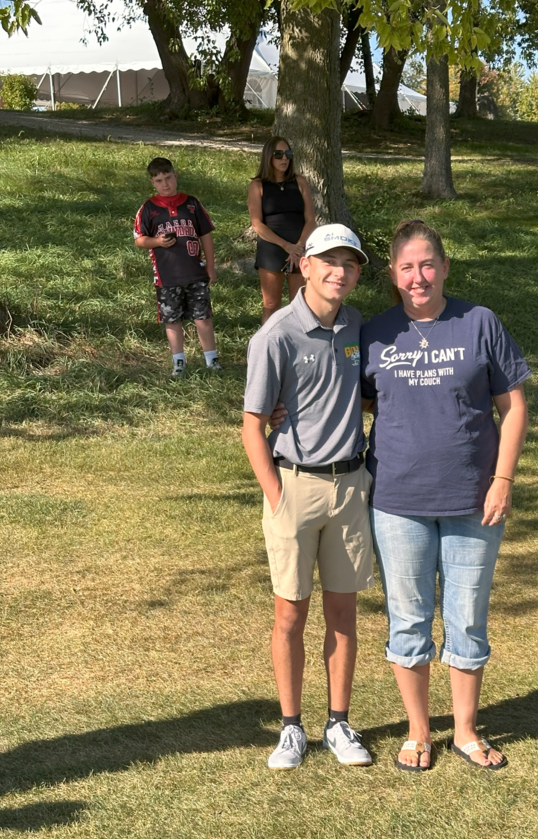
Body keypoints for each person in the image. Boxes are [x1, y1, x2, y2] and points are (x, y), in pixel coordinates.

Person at [361, 220, 530, 773]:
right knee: (408, 619)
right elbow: (356, 399)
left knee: (467, 618)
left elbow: (514, 407)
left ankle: (464, 730)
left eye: (428, 264)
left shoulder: (480, 322)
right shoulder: (375, 332)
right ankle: (417, 733)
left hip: (474, 499)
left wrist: (502, 479)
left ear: (445, 266)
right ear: (392, 273)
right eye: (407, 267)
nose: (419, 276)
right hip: (397, 499)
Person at [242, 224, 375, 770]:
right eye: (328, 260)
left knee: (343, 613)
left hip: (349, 486)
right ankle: (292, 727)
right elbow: (252, 425)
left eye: (350, 262)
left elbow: (361, 394)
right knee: (289, 614)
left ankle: (339, 723)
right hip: (293, 485)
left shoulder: (356, 324)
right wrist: (276, 495)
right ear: (305, 266)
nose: (339, 271)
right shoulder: (275, 334)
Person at [134, 157, 221, 381]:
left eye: (168, 178)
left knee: (203, 317)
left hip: (195, 272)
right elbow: (139, 239)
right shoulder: (149, 208)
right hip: (167, 276)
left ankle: (212, 360)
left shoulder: (191, 203)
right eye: (159, 180)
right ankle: (178, 362)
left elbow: (206, 235)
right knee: (172, 320)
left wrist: (210, 266)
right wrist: (157, 242)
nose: (165, 184)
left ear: (176, 176)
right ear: (152, 182)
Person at [248, 137, 316, 324]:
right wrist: (287, 246)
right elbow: (257, 224)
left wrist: (299, 247)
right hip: (272, 249)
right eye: (278, 154)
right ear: (268, 156)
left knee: (300, 303)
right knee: (271, 303)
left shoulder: (300, 182)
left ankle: (299, 345)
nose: (284, 159)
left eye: (288, 154)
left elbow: (311, 219)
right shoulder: (258, 185)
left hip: (299, 248)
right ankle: (267, 346)